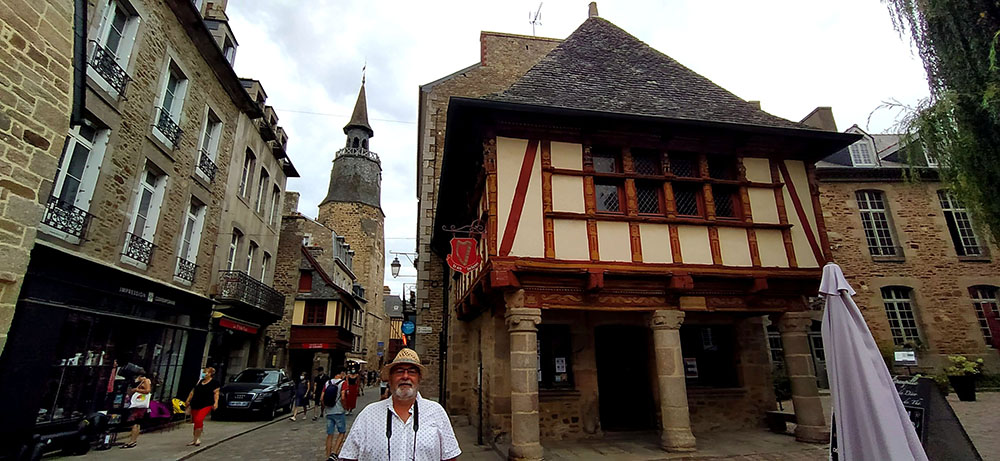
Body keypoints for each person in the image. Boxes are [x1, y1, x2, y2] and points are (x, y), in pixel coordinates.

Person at [339, 348, 461, 461]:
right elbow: (350, 457)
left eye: (411, 372)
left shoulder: (436, 412)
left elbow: (449, 457)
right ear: (390, 379)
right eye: (399, 372)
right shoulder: (368, 415)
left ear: (419, 378)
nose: (405, 376)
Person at [184, 366, 220, 446]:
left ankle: (198, 438)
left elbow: (216, 394)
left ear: (210, 374)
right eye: (203, 372)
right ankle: (195, 439)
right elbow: (193, 391)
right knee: (195, 421)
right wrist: (188, 400)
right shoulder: (200, 381)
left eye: (205, 372)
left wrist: (216, 403)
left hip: (206, 403)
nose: (204, 374)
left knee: (199, 419)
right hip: (195, 403)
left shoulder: (215, 383)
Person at [321, 367, 348, 460]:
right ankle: (334, 453)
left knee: (330, 434)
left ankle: (328, 455)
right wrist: (344, 407)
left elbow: (322, 398)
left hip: (329, 412)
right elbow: (343, 396)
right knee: (342, 432)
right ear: (342, 373)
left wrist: (325, 407)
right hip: (339, 411)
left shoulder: (327, 383)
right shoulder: (343, 383)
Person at [120, 369, 151, 449]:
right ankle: (133, 440)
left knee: (134, 422)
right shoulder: (143, 381)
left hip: (139, 405)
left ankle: (132, 441)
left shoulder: (146, 381)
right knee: (137, 423)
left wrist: (136, 390)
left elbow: (148, 390)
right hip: (139, 404)